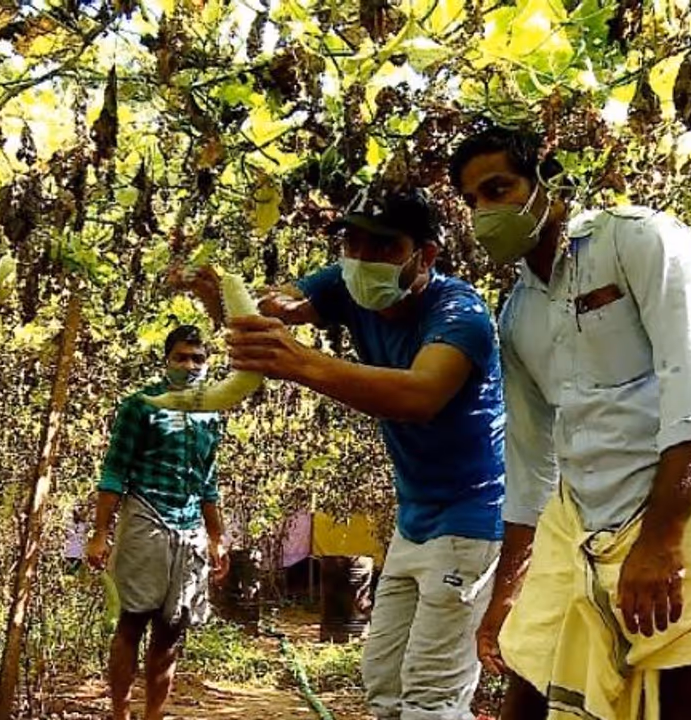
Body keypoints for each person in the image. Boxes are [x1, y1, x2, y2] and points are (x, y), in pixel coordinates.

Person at [448, 125, 691, 720]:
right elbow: (530, 461)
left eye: (498, 190)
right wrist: (506, 592)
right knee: (530, 677)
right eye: (473, 202)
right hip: (579, 518)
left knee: (674, 691)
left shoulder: (638, 241)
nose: (485, 214)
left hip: (683, 503)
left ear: (547, 182)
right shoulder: (517, 316)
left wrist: (660, 541)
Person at [186, 188, 506, 720]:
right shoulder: (344, 282)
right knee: (384, 686)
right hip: (415, 520)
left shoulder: (460, 313)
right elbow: (276, 310)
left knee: (432, 698)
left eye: (383, 247)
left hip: (471, 522)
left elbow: (419, 395)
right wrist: (221, 301)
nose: (362, 259)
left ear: (425, 255)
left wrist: (300, 362)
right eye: (352, 243)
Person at [85, 325, 230, 720]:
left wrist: (217, 537)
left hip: (189, 526)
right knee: (133, 621)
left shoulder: (211, 414)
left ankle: (154, 714)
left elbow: (208, 482)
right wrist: (100, 533)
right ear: (166, 361)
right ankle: (120, 713)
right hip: (146, 516)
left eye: (198, 359)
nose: (190, 366)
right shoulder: (141, 405)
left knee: (172, 628)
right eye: (181, 357)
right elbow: (114, 471)